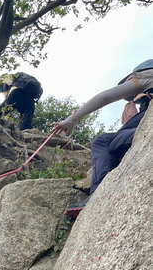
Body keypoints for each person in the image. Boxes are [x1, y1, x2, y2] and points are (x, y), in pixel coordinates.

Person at [54, 59, 153, 217]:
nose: (134, 96)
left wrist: (73, 118)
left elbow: (105, 97)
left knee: (103, 142)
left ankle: (98, 193)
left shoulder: (146, 75)